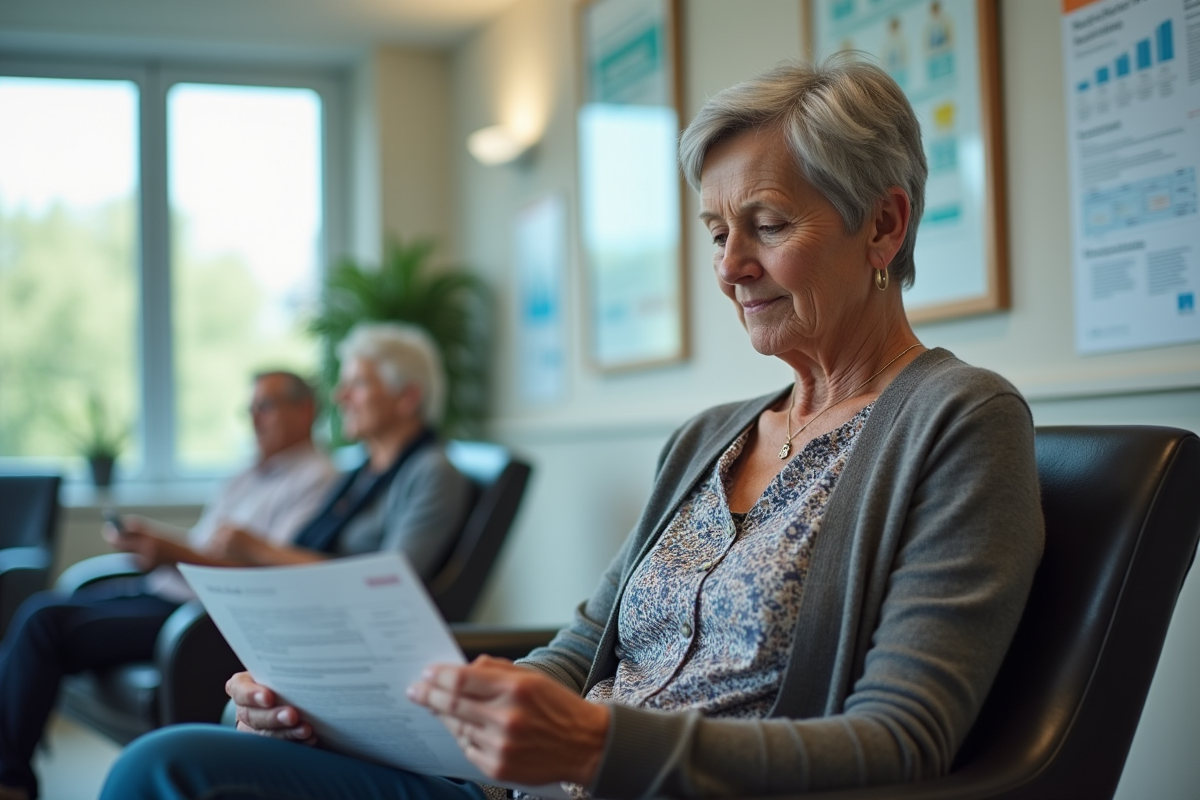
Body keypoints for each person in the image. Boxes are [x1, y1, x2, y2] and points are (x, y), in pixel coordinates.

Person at [100, 57, 1045, 800]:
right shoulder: (709, 437)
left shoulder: (960, 423)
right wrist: (383, 707)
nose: (730, 267)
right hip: (522, 784)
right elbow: (580, 648)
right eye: (717, 232)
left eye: (765, 223)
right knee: (181, 761)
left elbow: (903, 738)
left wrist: (600, 743)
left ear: (883, 228)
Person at [0, 369, 338, 800]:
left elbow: (267, 575)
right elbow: (208, 548)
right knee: (56, 603)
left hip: (199, 614)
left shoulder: (317, 479)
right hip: (168, 589)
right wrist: (157, 546)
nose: (254, 419)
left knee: (43, 619)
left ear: (304, 410)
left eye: (265, 407)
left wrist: (171, 552)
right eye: (250, 408)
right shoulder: (247, 473)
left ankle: (10, 782)